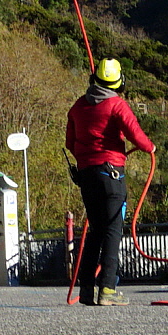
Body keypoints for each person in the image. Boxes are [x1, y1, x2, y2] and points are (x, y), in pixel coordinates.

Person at [66, 57, 154, 307]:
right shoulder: (117, 105)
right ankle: (107, 289)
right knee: (113, 230)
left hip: (86, 174)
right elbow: (137, 136)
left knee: (95, 231)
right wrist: (150, 147)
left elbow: (69, 143)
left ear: (93, 78)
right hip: (111, 174)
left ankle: (86, 290)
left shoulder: (78, 106)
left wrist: (87, 157)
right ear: (119, 82)